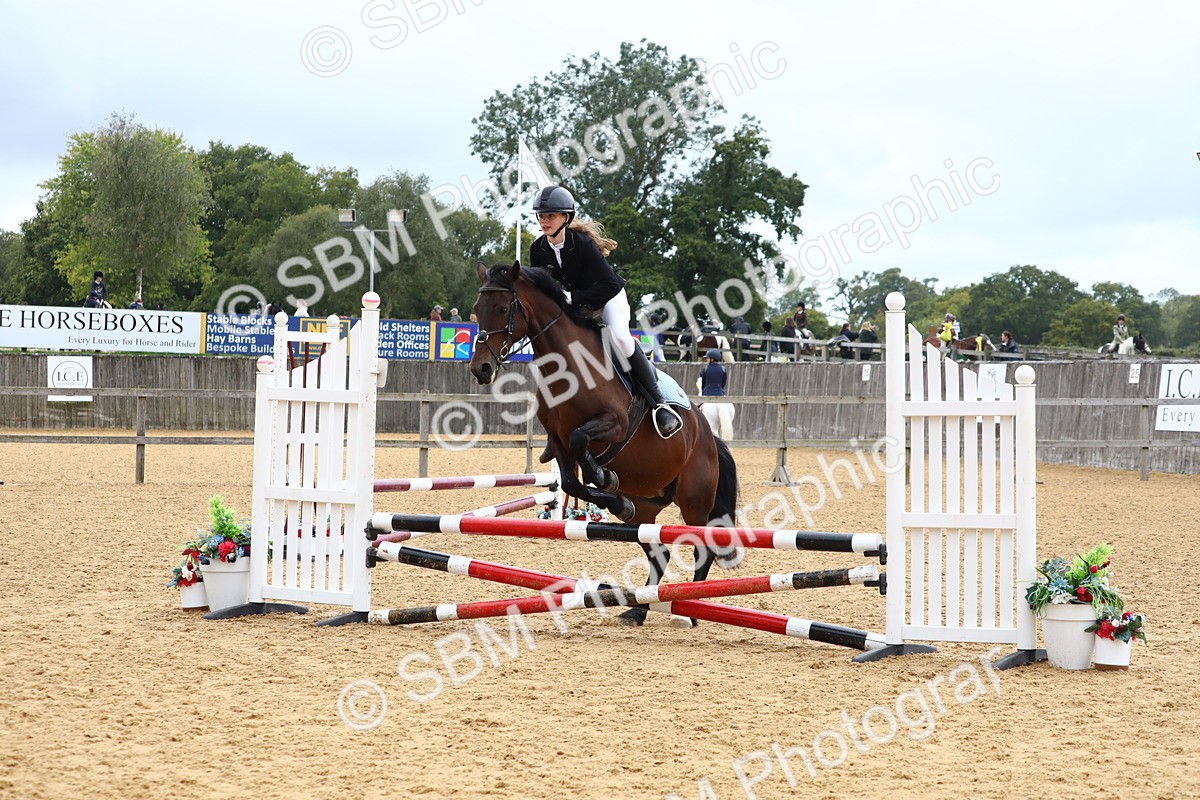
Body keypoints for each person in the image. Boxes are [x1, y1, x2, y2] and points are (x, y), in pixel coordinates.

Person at [528, 185, 681, 438]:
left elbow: (609, 284)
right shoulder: (538, 249)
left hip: (608, 298)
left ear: (565, 218)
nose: (544, 221)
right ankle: (559, 422)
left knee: (620, 338)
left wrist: (571, 297)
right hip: (576, 305)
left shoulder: (583, 244)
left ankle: (659, 405)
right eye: (541, 216)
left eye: (550, 216)